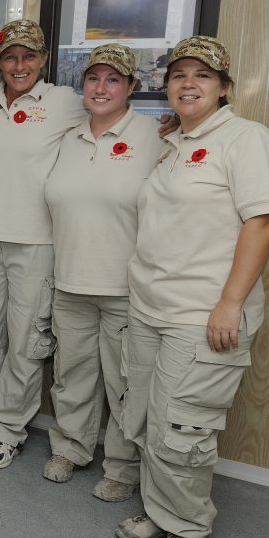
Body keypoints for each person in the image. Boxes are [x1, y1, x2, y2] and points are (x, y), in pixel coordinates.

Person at [115, 36, 269, 538]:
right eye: (180, 75)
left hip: (203, 313)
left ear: (224, 87)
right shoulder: (176, 143)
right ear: (166, 86)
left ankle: (187, 527)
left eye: (203, 76)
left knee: (182, 427)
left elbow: (262, 221)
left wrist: (230, 303)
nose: (189, 84)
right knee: (144, 416)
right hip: (150, 307)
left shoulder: (246, 139)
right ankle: (159, 508)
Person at [41, 44, 164, 500]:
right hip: (70, 279)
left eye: (114, 80)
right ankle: (70, 447)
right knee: (70, 375)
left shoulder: (156, 138)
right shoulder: (67, 137)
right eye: (93, 78)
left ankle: (122, 467)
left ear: (133, 87)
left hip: (125, 286)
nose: (101, 88)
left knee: (126, 383)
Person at [0, 20, 86, 469]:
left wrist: (168, 130)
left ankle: (10, 426)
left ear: (44, 60)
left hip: (35, 242)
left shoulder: (65, 103)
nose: (20, 66)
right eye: (11, 57)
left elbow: (114, 118)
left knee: (26, 339)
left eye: (29, 56)